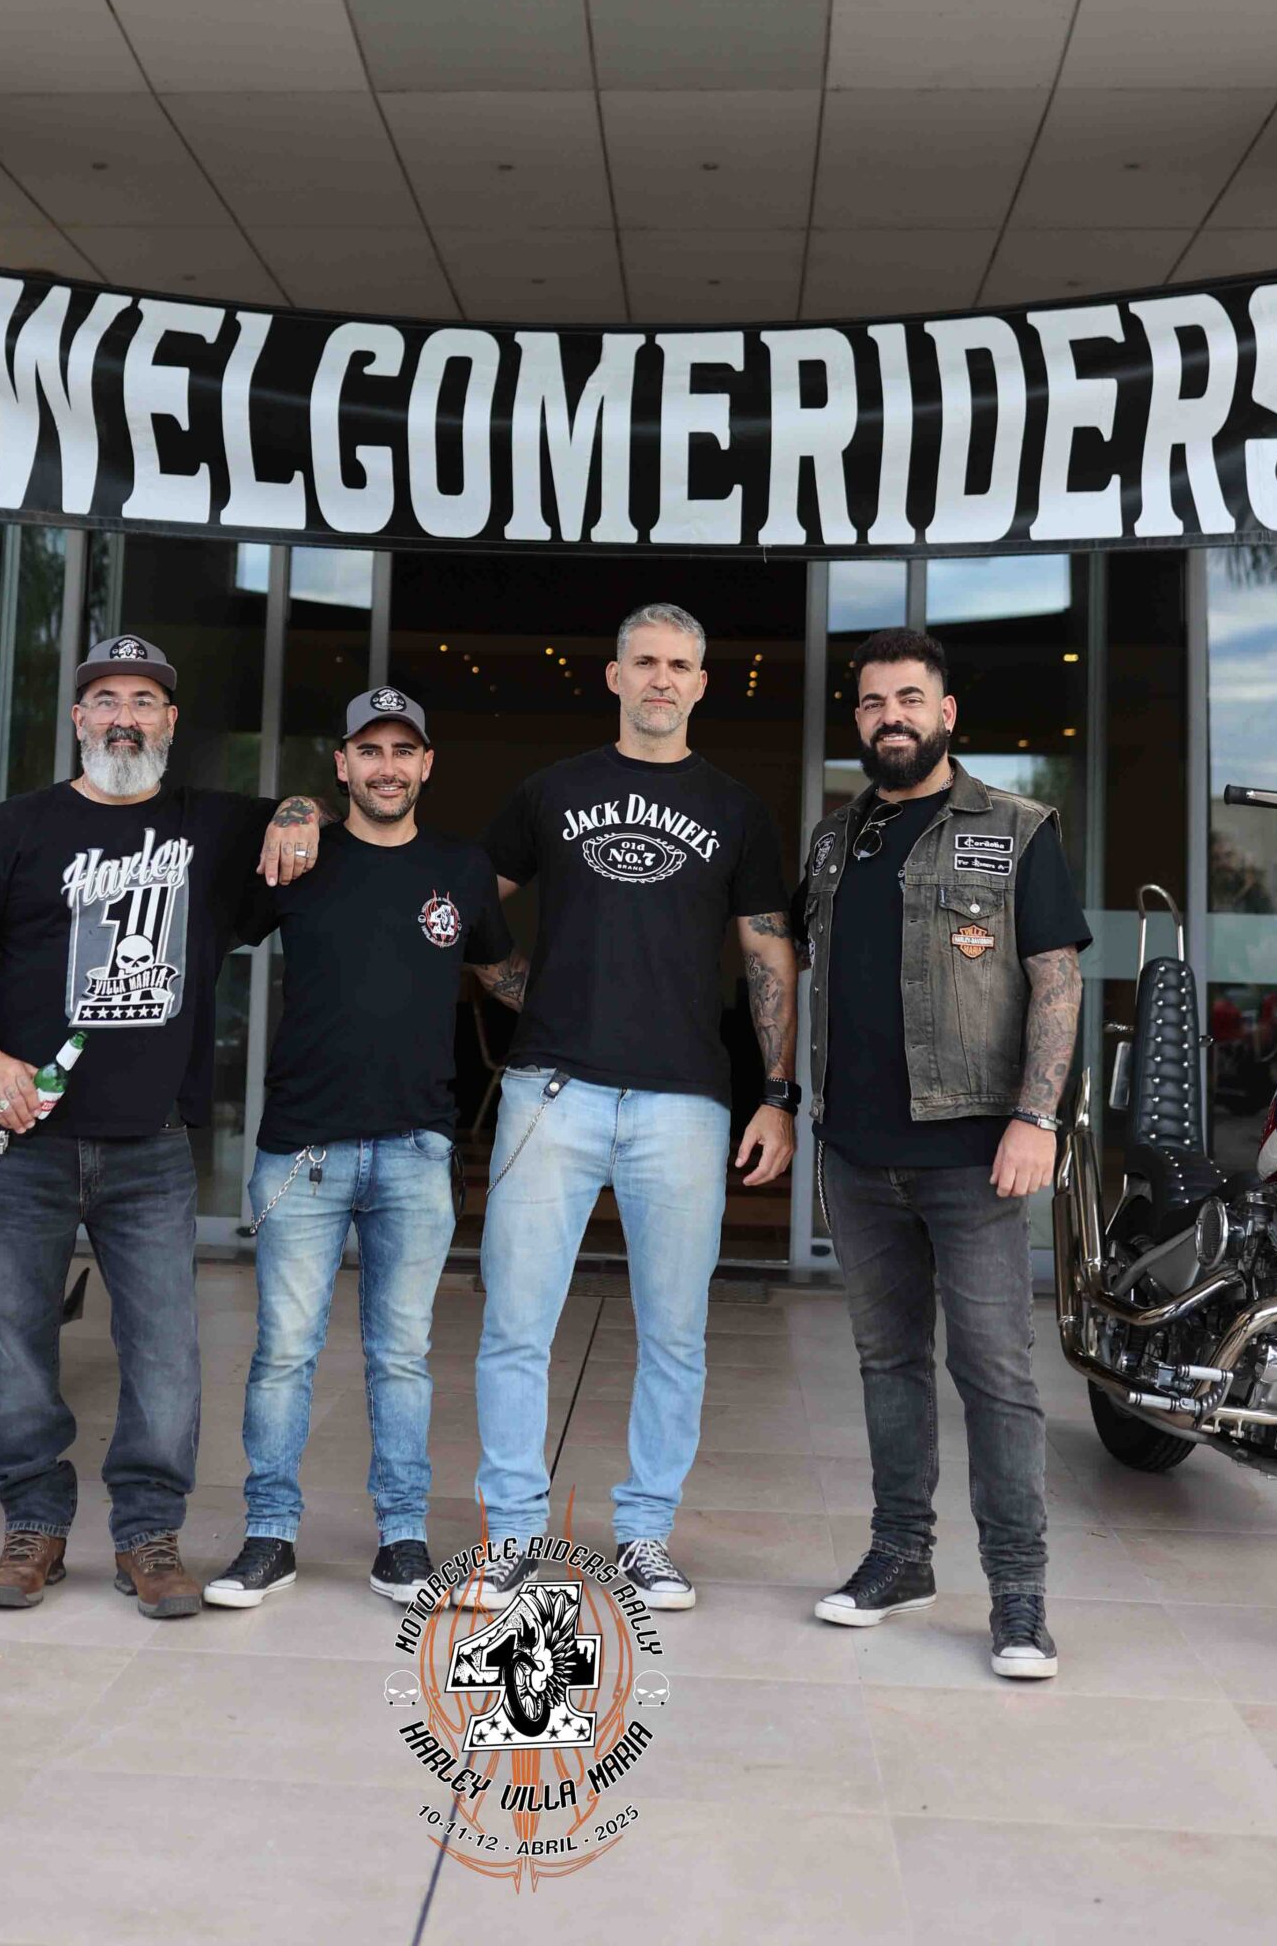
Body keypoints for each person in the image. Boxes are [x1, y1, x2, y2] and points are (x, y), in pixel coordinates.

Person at [0, 633, 326, 1618]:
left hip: (151, 1144)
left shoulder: (212, 826)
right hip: (21, 1141)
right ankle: (34, 1526)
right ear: (78, 718)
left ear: (170, 721)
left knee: (165, 1356)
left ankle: (147, 1533)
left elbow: (309, 811)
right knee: (16, 1343)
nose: (124, 716)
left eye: (144, 700)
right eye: (106, 699)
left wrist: (302, 813)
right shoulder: (16, 828)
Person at [465, 604, 799, 1613]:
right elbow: (467, 898)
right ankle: (511, 1536)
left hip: (684, 1103)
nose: (661, 678)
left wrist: (776, 1094)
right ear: (612, 677)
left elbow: (767, 952)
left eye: (679, 665)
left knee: (675, 1335)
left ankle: (646, 1533)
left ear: (702, 684)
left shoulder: (735, 808)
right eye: (644, 662)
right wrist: (527, 990)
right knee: (516, 1325)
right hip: (550, 1091)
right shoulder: (551, 790)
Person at [792, 627, 1088, 1682]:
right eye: (874, 702)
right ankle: (900, 1556)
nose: (892, 717)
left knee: (996, 1374)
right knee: (888, 1364)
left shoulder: (1015, 827)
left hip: (974, 1155)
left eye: (910, 699)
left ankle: (1018, 1596)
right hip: (855, 1152)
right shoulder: (834, 840)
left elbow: (1056, 979)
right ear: (858, 717)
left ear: (947, 712)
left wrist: (1036, 1116)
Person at [205, 685, 527, 1613]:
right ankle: (270, 1535)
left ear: (427, 764)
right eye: (370, 751)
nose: (388, 768)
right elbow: (215, 903)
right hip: (302, 1151)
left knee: (401, 1357)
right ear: (342, 764)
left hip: (417, 1151)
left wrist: (594, 1019)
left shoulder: (461, 868)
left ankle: (402, 1539)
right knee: (283, 1354)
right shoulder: (300, 854)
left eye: (403, 751)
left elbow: (502, 975)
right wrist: (287, 811)